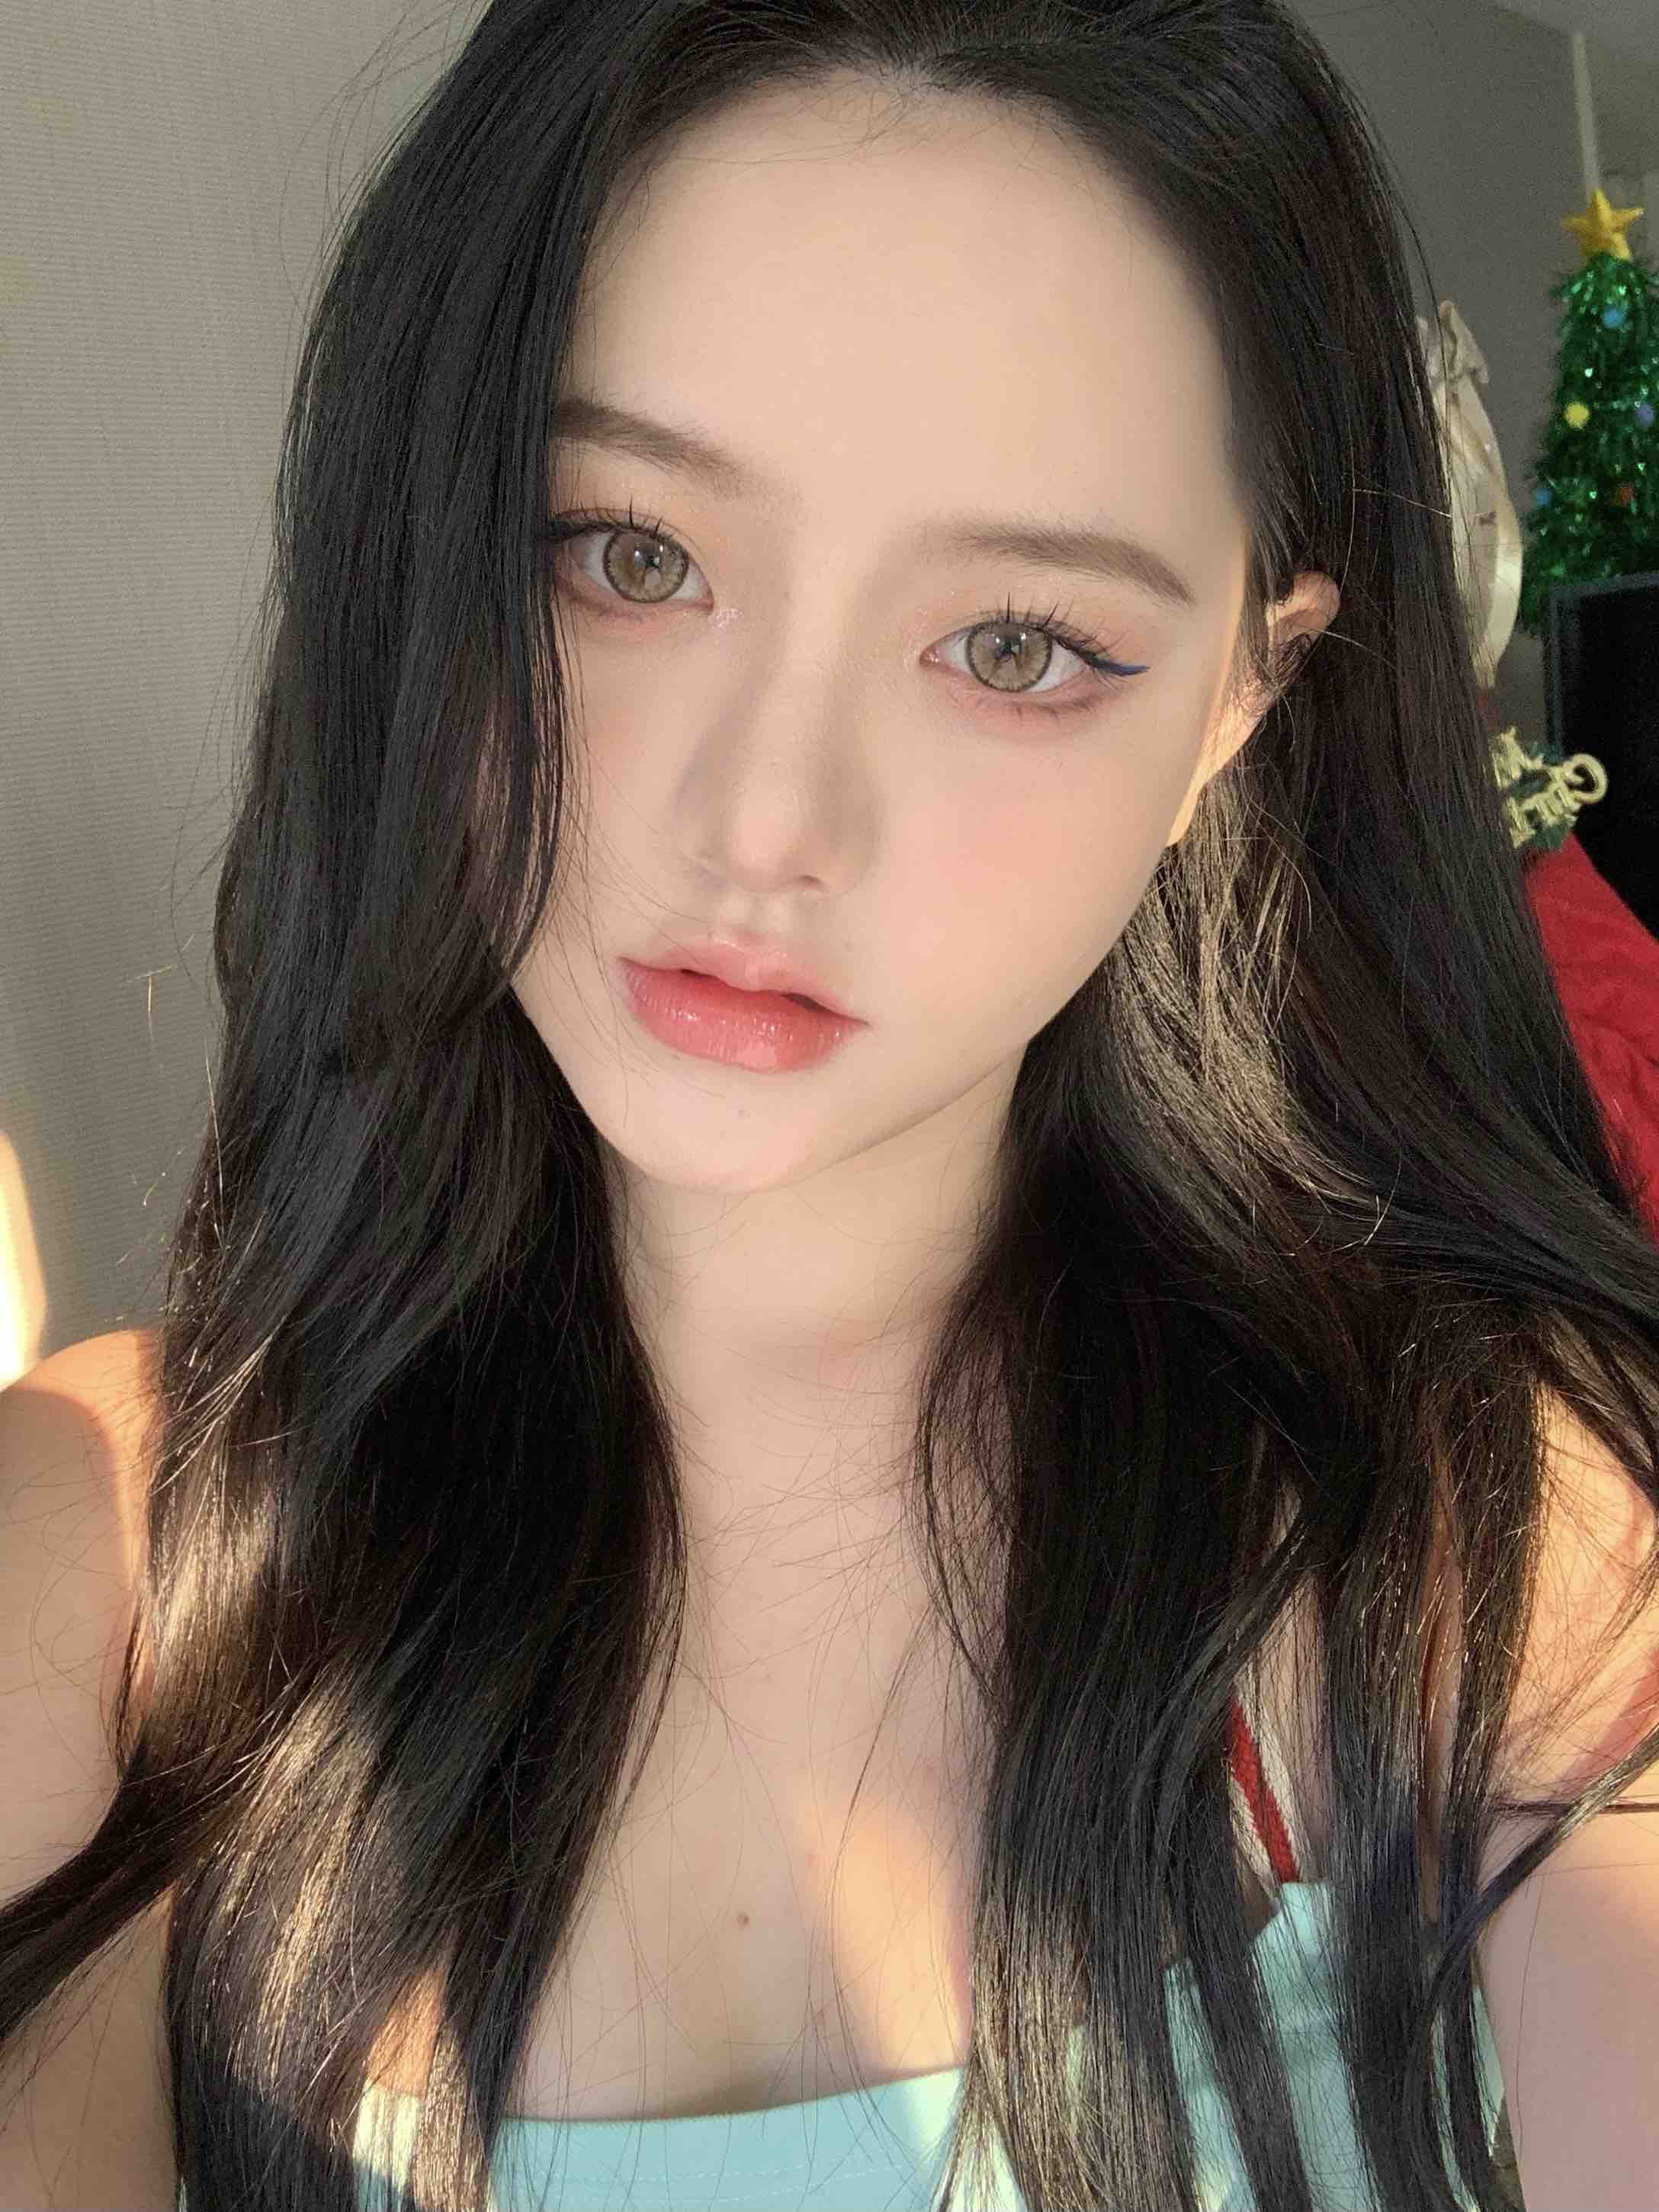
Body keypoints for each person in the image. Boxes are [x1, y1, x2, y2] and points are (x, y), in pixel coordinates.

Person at [2, 2, 1657, 2207]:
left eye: (1018, 645)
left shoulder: (1470, 1548)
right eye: (627, 553)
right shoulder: (115, 1564)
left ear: (1234, 710)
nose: (769, 820)